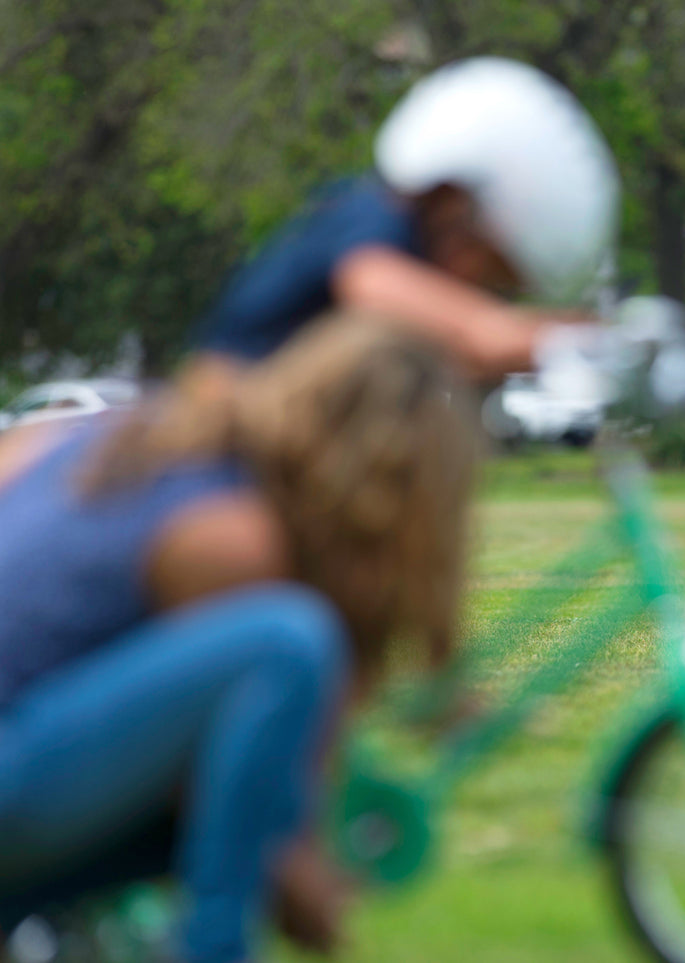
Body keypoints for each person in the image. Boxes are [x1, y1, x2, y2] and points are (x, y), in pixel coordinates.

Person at [0, 316, 476, 962]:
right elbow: (230, 797)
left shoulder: (96, 431)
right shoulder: (235, 539)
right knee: (288, 644)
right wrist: (302, 877)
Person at [190, 56, 620, 381]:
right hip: (219, 437)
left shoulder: (376, 218)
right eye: (487, 267)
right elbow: (371, 284)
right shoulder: (372, 215)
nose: (476, 292)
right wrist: (550, 340)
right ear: (453, 205)